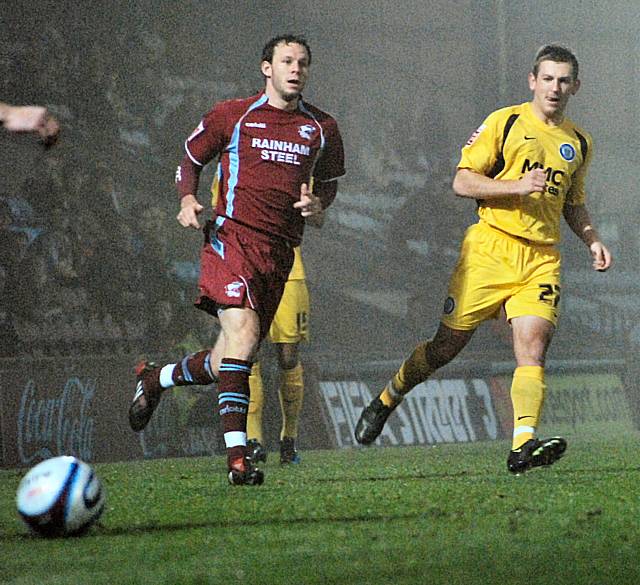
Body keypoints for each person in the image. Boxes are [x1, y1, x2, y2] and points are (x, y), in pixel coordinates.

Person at [355, 44, 612, 474]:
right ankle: (389, 397)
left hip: (541, 258)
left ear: (576, 86)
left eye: (564, 80)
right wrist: (514, 186)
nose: (555, 87)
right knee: (445, 347)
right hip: (490, 249)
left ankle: (521, 447)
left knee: (532, 349)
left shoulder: (579, 142)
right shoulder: (505, 121)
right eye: (547, 78)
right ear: (532, 81)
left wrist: (592, 239)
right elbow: (461, 181)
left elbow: (573, 203)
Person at [128, 34, 345, 486]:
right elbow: (190, 159)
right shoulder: (233, 115)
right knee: (244, 340)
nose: (296, 69)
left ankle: (156, 378)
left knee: (228, 357)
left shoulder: (322, 127)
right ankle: (238, 458)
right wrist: (187, 200)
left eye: (303, 62)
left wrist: (320, 206)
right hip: (232, 239)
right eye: (287, 61)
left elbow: (328, 181)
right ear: (267, 67)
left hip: (280, 253)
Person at [246, 230, 322, 466]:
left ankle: (289, 439)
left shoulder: (294, 189)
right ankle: (252, 441)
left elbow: (317, 217)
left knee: (288, 358)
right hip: (249, 270)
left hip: (289, 273)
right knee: (249, 352)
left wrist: (312, 203)